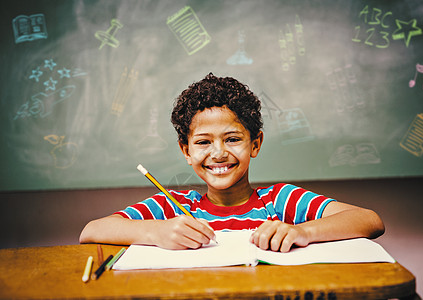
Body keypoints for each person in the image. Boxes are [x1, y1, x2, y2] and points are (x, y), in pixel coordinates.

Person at [80, 73, 384, 253]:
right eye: (202, 142)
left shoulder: (281, 201)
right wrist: (156, 232)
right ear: (185, 151)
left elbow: (370, 220)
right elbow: (92, 231)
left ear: (256, 144)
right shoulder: (173, 206)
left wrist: (303, 232)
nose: (218, 153)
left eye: (233, 139)